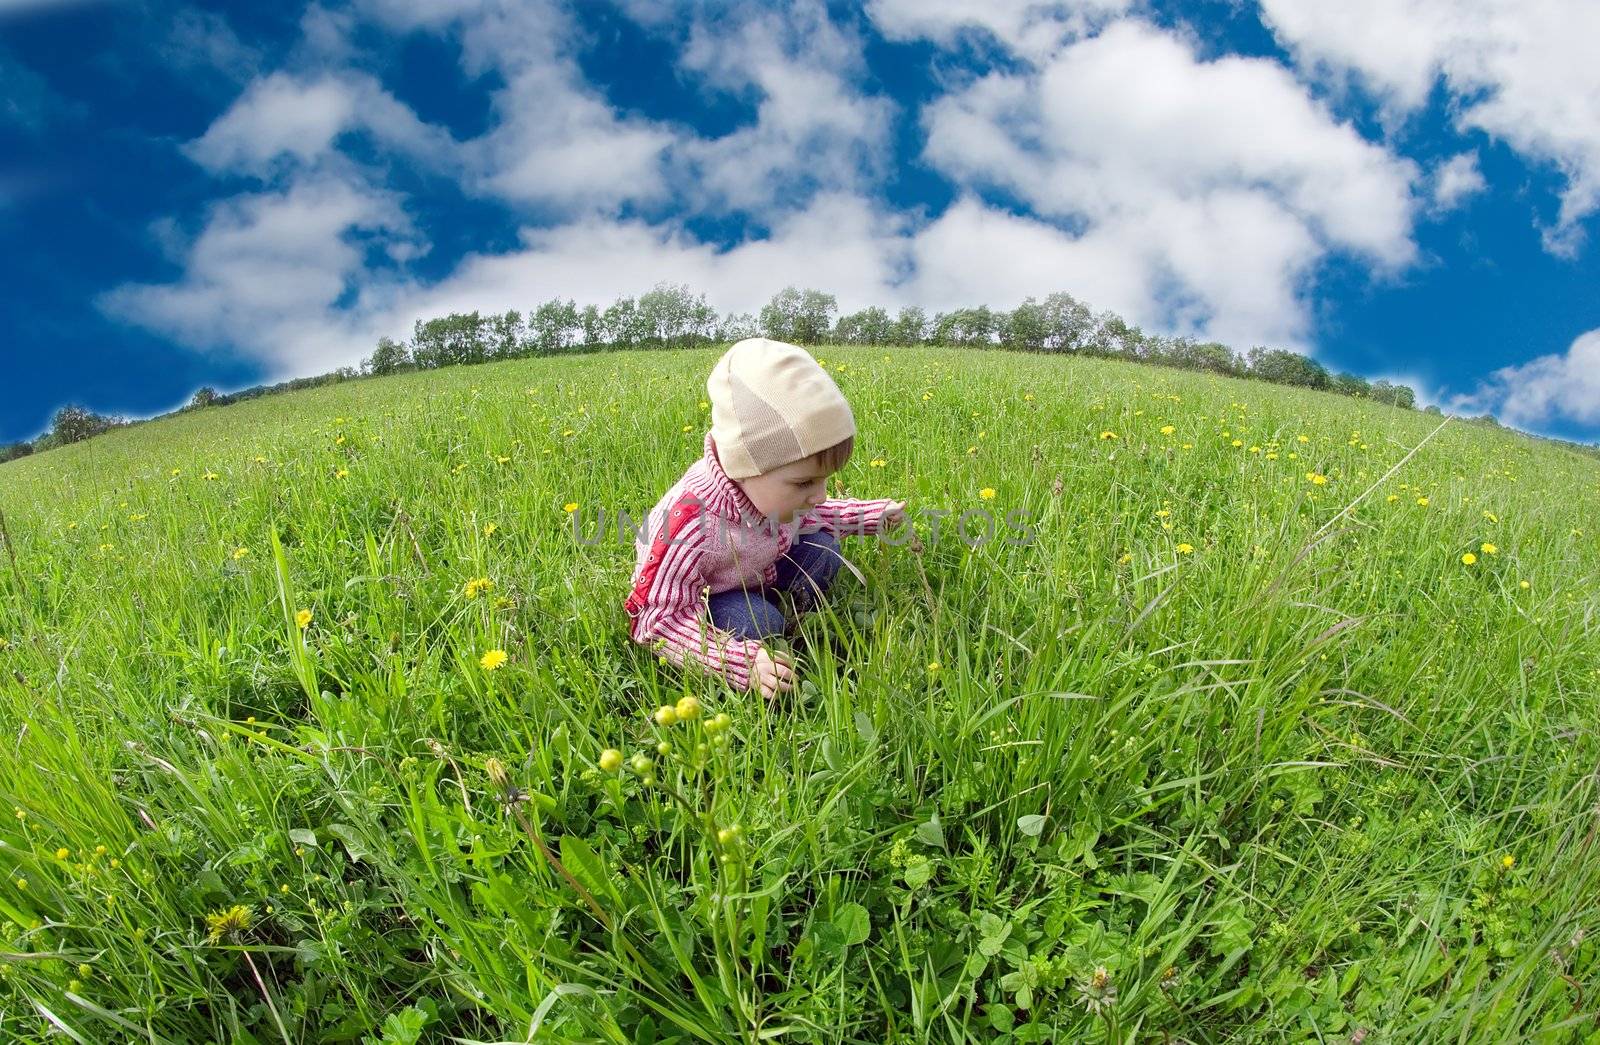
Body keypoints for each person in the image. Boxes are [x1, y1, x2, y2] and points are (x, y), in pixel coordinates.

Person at [624, 337, 906, 699]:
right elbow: (654, 620)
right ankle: (769, 640)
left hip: (766, 565)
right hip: (716, 594)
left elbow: (814, 513)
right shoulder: (688, 524)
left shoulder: (770, 493)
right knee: (760, 623)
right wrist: (735, 661)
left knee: (825, 549)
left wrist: (871, 516)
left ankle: (803, 611)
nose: (819, 494)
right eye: (804, 482)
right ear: (745, 465)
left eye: (824, 480)